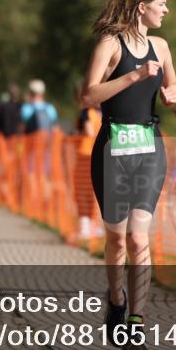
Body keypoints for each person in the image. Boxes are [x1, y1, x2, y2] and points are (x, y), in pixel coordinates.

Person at [81, 0, 176, 350]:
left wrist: (170, 94)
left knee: (139, 238)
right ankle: (117, 300)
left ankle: (136, 323)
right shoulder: (110, 44)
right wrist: (134, 75)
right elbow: (88, 95)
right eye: (162, 3)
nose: (167, 9)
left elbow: (172, 89)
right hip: (112, 151)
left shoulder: (162, 46)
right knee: (117, 239)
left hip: (149, 147)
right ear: (142, 6)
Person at [73, 81, 102, 242]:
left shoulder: (86, 112)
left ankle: (85, 227)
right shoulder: (100, 112)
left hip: (85, 154)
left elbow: (89, 131)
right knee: (93, 192)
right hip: (98, 154)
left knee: (82, 191)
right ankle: (93, 227)